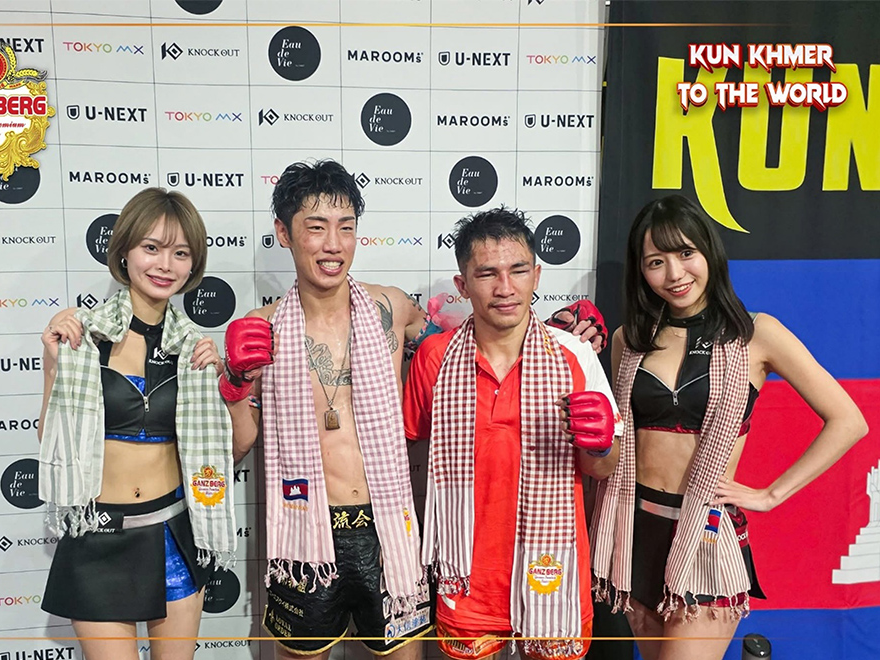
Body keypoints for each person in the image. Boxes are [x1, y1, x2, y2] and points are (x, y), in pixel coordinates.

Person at [221, 160, 607, 660]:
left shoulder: (393, 308)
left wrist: (557, 332)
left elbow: (468, 339)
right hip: (303, 526)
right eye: (315, 228)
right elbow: (238, 446)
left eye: (345, 228)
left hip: (390, 529)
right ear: (284, 233)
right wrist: (234, 383)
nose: (333, 244)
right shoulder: (262, 326)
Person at [589, 195, 869, 660]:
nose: (675, 274)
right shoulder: (628, 340)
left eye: (685, 254)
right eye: (656, 262)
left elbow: (848, 421)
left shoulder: (756, 334)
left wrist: (769, 495)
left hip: (704, 535)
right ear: (641, 270)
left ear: (708, 253)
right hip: (632, 532)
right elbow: (621, 440)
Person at [403, 206, 621, 660]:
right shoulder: (434, 358)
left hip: (554, 573)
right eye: (487, 274)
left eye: (518, 270)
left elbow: (603, 467)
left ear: (537, 275)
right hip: (465, 581)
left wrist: (599, 444)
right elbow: (407, 450)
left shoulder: (575, 354)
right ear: (463, 286)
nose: (505, 288)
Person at [37, 188, 236, 660]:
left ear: (193, 265)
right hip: (100, 538)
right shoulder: (84, 337)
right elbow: (51, 437)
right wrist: (51, 363)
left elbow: (224, 449)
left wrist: (227, 379)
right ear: (124, 251)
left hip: (174, 533)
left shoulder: (195, 348)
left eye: (180, 252)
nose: (165, 264)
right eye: (152, 248)